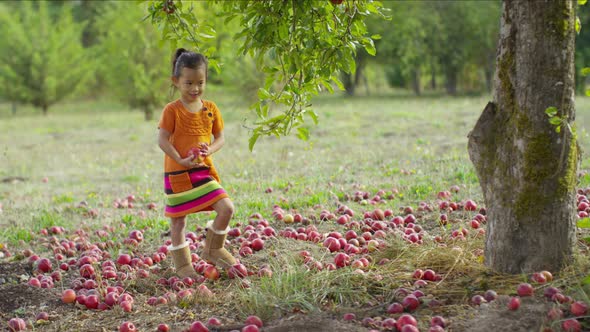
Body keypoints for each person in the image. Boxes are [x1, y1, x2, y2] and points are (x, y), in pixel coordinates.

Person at [158, 48, 236, 278]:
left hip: (203, 170)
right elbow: (161, 139)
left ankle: (213, 248)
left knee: (226, 208)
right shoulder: (172, 110)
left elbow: (220, 138)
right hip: (178, 172)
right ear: (176, 81)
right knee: (178, 220)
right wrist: (180, 159)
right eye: (188, 82)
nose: (195, 88)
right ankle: (183, 266)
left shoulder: (210, 109)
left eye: (200, 83)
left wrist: (209, 149)